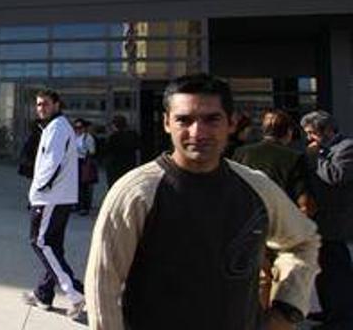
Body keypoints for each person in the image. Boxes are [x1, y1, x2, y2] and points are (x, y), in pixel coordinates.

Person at [85, 73, 320, 330]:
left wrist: (286, 310)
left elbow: (303, 241)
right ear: (166, 123)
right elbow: (103, 284)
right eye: (184, 120)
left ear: (231, 123)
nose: (198, 132)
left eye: (211, 119)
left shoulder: (257, 187)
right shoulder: (136, 193)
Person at [21, 89, 85, 320]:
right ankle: (43, 294)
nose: (41, 108)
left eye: (46, 104)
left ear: (57, 104)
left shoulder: (58, 127)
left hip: (50, 197)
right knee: (53, 247)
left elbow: (52, 163)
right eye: (38, 104)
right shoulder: (54, 127)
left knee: (40, 242)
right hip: (60, 197)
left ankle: (76, 293)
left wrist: (38, 191)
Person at [300, 110, 353, 329]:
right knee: (323, 270)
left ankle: (341, 316)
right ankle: (329, 310)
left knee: (337, 272)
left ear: (327, 131)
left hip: (336, 221)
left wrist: (317, 155)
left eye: (312, 133)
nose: (309, 138)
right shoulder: (321, 150)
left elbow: (336, 176)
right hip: (319, 220)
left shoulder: (347, 148)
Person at [233, 109, 313, 214]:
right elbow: (305, 204)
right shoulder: (294, 158)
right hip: (279, 221)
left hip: (246, 221)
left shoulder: (241, 153)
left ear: (263, 130)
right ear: (289, 132)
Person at [103, 114, 140, 189]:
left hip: (115, 167)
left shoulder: (113, 137)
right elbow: (138, 146)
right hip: (130, 164)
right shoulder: (132, 135)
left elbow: (107, 150)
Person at [73, 118, 97, 216]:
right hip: (74, 161)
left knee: (84, 185)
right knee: (76, 185)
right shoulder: (73, 136)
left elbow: (92, 151)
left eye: (80, 127)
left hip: (84, 161)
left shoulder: (88, 138)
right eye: (76, 128)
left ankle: (84, 206)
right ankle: (77, 204)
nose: (78, 130)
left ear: (84, 128)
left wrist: (83, 153)